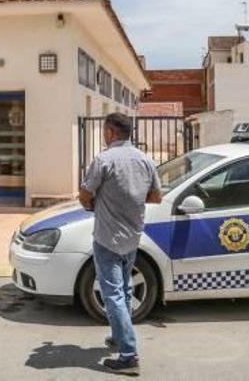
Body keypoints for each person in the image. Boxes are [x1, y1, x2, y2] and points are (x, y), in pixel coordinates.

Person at [79, 112, 161, 376]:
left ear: (111, 132)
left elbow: (84, 195)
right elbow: (156, 196)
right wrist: (131, 201)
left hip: (107, 237)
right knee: (124, 289)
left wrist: (96, 204)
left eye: (105, 131)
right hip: (132, 236)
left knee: (112, 294)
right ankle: (118, 337)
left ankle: (128, 355)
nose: (104, 135)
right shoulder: (145, 160)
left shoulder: (103, 160)